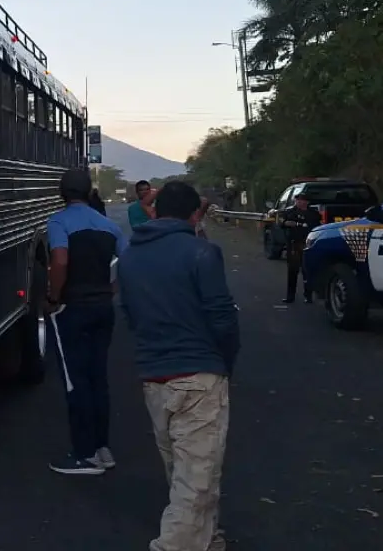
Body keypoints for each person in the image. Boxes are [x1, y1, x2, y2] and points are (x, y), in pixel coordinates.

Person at [117, 181, 238, 551]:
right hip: (199, 375)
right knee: (196, 477)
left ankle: (209, 541)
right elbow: (222, 319)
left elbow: (131, 315)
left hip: (155, 378)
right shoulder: (202, 252)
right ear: (194, 214)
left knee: (183, 472)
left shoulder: (129, 257)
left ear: (155, 210)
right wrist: (224, 362)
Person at [45, 168, 127, 476]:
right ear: (90, 191)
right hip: (103, 308)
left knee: (74, 380)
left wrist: (54, 297)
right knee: (97, 378)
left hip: (73, 309)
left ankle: (84, 454)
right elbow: (126, 262)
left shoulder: (59, 222)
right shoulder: (108, 225)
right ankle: (102, 448)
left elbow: (61, 260)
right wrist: (110, 290)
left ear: (62, 193)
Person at [279, 191, 321, 304]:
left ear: (307, 202)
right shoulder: (289, 211)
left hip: (308, 244)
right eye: (298, 200)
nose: (300, 202)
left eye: (303, 200)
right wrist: (287, 223)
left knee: (307, 271)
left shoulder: (313, 214)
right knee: (292, 271)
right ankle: (290, 296)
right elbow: (282, 222)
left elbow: (317, 226)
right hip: (294, 243)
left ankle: (308, 296)